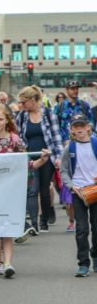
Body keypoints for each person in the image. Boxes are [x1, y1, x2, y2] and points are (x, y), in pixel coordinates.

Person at [0, 104, 49, 278]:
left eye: (1, 119)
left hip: (10, 191)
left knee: (7, 227)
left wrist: (42, 160)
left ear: (7, 120)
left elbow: (26, 164)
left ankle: (8, 262)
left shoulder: (15, 140)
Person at [16, 85, 63, 233]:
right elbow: (19, 138)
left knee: (44, 189)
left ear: (33, 100)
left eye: (24, 102)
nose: (21, 105)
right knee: (32, 189)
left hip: (46, 156)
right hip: (30, 157)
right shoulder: (22, 116)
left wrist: (58, 157)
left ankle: (45, 220)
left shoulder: (49, 114)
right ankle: (34, 223)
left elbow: (56, 137)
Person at [59, 113, 97, 277]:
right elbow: (63, 171)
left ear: (88, 127)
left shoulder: (95, 143)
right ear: (72, 130)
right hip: (79, 192)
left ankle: (95, 256)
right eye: (76, 126)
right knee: (81, 229)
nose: (79, 129)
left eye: (82, 125)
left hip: (95, 190)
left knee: (96, 227)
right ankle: (83, 263)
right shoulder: (70, 148)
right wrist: (72, 187)